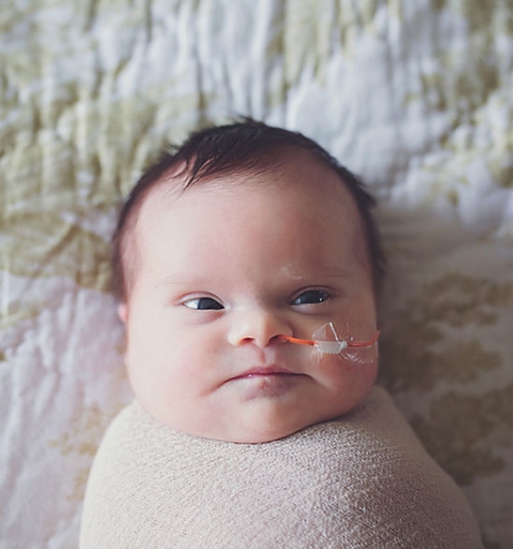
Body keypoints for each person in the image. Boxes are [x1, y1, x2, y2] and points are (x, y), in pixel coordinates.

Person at [80, 120, 484, 548]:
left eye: (310, 296)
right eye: (204, 304)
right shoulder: (134, 469)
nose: (261, 330)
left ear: (374, 309)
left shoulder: (390, 460)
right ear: (130, 331)